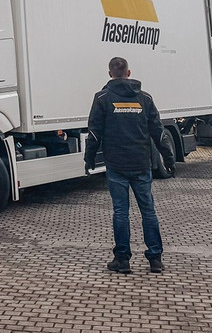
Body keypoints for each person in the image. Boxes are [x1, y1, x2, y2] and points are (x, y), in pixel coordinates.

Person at [84, 56, 175, 274]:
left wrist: (88, 160)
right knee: (148, 211)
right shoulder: (145, 98)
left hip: (116, 165)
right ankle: (155, 259)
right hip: (141, 164)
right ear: (129, 73)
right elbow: (158, 132)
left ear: (109, 74)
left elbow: (94, 134)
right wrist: (169, 159)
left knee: (121, 212)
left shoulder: (102, 98)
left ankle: (122, 260)